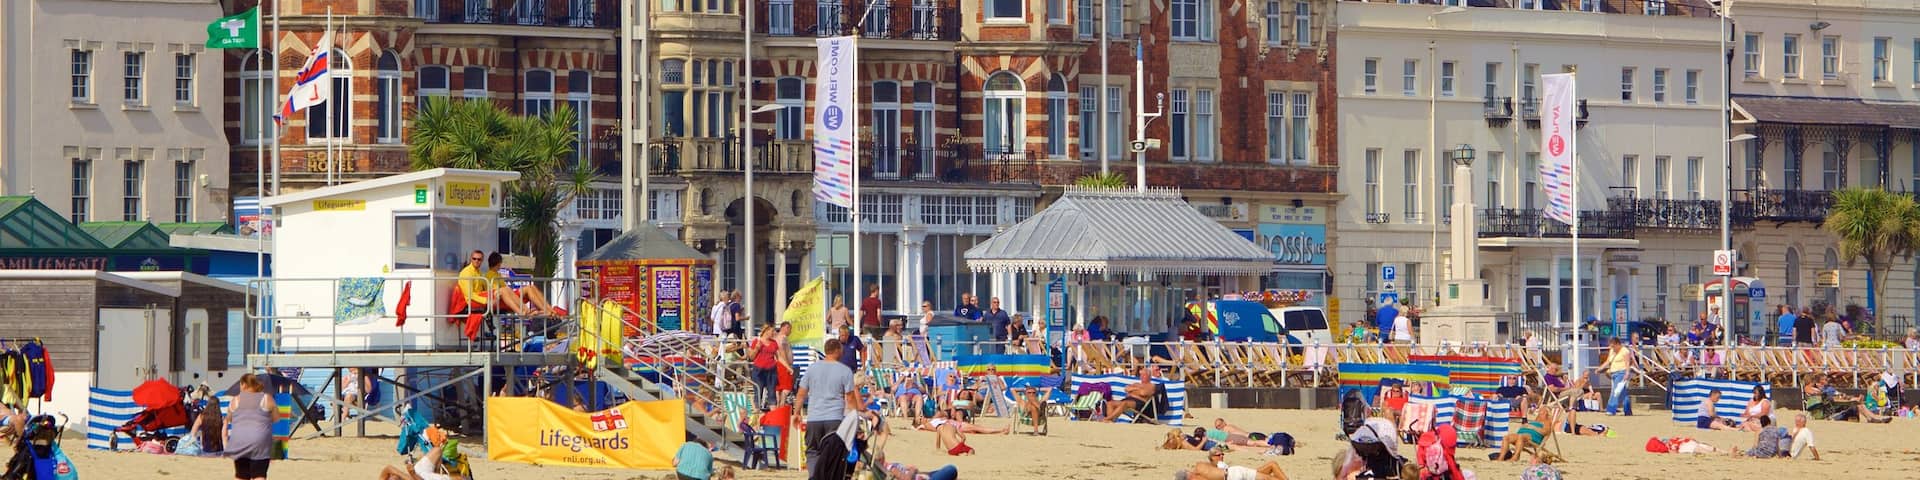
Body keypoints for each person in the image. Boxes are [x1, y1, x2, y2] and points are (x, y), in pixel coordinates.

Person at [797, 338, 860, 469]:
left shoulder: (812, 368)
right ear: (837, 350)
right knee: (833, 453)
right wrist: (855, 417)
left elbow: (801, 393)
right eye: (841, 349)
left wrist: (796, 413)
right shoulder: (845, 370)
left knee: (813, 451)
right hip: (834, 417)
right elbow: (850, 397)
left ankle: (814, 476)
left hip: (814, 417)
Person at [226, 373, 278, 480]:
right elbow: (276, 418)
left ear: (244, 385)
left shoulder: (235, 400)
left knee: (241, 475)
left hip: (240, 442)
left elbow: (230, 419)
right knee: (259, 475)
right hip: (259, 442)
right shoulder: (266, 398)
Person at [1595, 337, 1635, 415]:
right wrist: (1600, 368)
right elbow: (1608, 361)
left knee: (1615, 391)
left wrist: (1627, 373)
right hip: (1613, 373)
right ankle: (1628, 411)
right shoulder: (1612, 351)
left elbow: (1627, 363)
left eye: (1613, 346)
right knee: (1623, 393)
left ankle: (1611, 409)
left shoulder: (1625, 351)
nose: (1612, 348)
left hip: (1621, 373)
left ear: (1617, 344)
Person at [746, 326, 780, 408]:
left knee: (772, 393)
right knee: (758, 392)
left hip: (771, 370)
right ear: (767, 331)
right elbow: (751, 357)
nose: (773, 333)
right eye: (772, 331)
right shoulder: (757, 341)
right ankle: (756, 413)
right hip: (759, 370)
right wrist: (757, 348)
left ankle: (774, 414)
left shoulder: (774, 343)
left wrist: (786, 366)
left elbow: (778, 356)